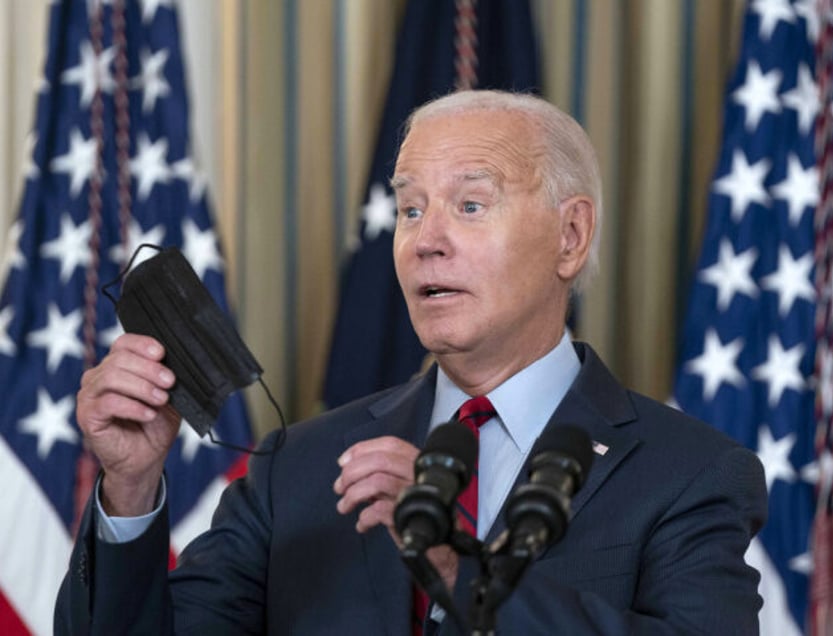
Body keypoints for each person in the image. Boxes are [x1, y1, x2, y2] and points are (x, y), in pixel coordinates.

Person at [55, 90, 767, 635]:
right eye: (410, 209)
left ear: (570, 237)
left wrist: (460, 567)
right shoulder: (295, 468)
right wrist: (131, 489)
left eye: (470, 205)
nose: (427, 240)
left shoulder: (690, 475)